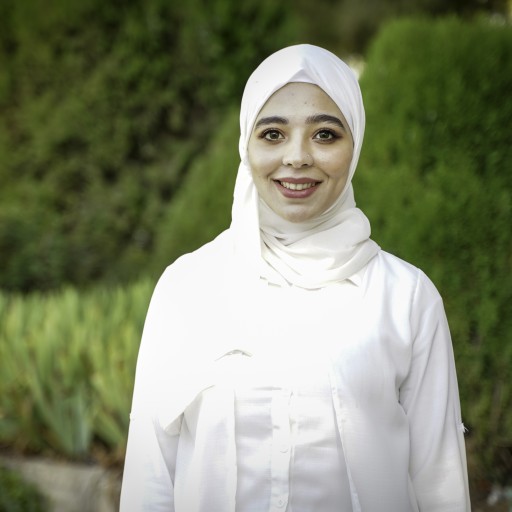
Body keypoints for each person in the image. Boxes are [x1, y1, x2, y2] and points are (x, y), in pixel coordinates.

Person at [120, 44, 471, 511]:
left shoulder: (405, 298)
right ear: (246, 145)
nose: (298, 157)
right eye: (272, 134)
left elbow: (439, 480)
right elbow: (150, 475)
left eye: (325, 134)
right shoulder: (187, 288)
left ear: (355, 145)